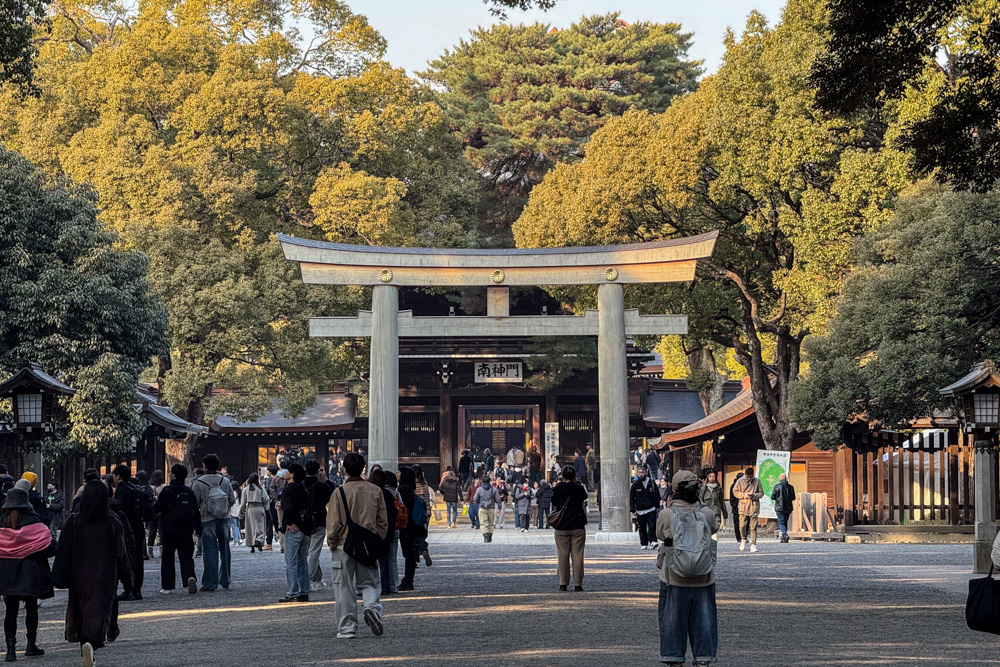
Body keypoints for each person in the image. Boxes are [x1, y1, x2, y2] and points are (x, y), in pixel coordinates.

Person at [53, 480, 131, 667]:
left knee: (80, 611)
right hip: (105, 574)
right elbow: (122, 553)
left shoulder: (74, 520)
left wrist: (58, 575)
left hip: (79, 573)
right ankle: (92, 645)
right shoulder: (112, 521)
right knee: (99, 612)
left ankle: (85, 646)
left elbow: (63, 551)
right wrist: (128, 579)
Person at [656, 470, 719, 667]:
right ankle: (703, 657)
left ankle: (674, 657)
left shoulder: (667, 514)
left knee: (672, 620)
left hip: (673, 576)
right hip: (703, 576)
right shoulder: (706, 513)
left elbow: (659, 534)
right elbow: (714, 527)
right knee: (704, 620)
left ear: (673, 490)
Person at [327, 452, 388, 638]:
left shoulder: (339, 492)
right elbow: (382, 522)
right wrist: (377, 539)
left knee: (343, 587)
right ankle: (372, 609)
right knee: (370, 582)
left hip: (343, 544)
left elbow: (334, 522)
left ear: (344, 469)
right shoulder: (375, 491)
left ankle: (347, 628)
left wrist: (332, 541)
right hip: (368, 543)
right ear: (364, 468)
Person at [0, 487, 56, 660]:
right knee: (31, 609)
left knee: (10, 611)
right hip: (31, 573)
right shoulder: (36, 523)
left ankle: (10, 650)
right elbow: (51, 547)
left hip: (7, 574)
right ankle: (31, 645)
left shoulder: (1, 522)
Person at [153, 464, 201, 595]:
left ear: (173, 475)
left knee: (168, 557)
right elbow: (196, 511)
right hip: (186, 529)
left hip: (169, 529)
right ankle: (189, 577)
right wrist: (198, 528)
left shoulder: (167, 491)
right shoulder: (189, 492)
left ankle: (168, 586)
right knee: (186, 556)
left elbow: (157, 508)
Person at [191, 454, 236, 591]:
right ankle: (225, 579)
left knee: (210, 550)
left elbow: (195, 503)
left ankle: (210, 582)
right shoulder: (225, 481)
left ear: (204, 466)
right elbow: (232, 500)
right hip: (224, 518)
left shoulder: (199, 482)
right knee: (225, 549)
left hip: (207, 518)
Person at [278, 463, 314, 603]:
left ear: (292, 475)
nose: (285, 473)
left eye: (288, 471)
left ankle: (293, 590)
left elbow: (288, 508)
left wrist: (289, 522)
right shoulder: (304, 489)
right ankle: (304, 590)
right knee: (302, 561)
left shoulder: (288, 491)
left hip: (293, 528)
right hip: (305, 528)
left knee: (291, 562)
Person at [110, 465, 147, 600]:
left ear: (118, 476)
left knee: (128, 559)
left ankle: (129, 589)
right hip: (138, 527)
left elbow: (119, 510)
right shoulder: (134, 488)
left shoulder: (121, 490)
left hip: (128, 528)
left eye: (114, 475)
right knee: (138, 559)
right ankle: (137, 589)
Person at [551, 465, 588, 591]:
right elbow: (584, 497)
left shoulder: (558, 489)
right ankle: (578, 584)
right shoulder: (579, 489)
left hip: (562, 525)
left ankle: (563, 583)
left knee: (562, 555)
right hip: (577, 524)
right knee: (578, 555)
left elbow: (554, 502)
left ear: (563, 476)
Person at [303, 460, 334, 592]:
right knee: (314, 552)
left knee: (309, 551)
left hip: (305, 520)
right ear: (317, 471)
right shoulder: (322, 486)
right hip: (319, 519)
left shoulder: (302, 484)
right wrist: (325, 479)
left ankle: (317, 580)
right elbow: (333, 493)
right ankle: (307, 579)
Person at [397, 467, 427, 591]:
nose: (397, 474)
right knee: (410, 553)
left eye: (399, 473)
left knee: (407, 553)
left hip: (406, 525)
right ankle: (408, 579)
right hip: (413, 525)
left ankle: (408, 580)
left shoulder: (403, 490)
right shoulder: (411, 489)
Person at [732, 466, 764, 553]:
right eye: (747, 476)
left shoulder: (757, 481)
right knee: (742, 525)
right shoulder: (740, 481)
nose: (749, 478)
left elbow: (761, 493)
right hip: (743, 505)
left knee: (753, 527)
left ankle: (753, 544)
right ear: (745, 475)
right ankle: (743, 538)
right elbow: (735, 491)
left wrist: (754, 495)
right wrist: (744, 495)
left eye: (751, 476)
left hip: (754, 506)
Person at [629, 466, 659, 550]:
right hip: (640, 510)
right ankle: (644, 543)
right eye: (639, 472)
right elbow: (631, 498)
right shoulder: (635, 485)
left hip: (651, 508)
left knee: (652, 525)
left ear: (646, 472)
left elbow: (656, 495)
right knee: (642, 527)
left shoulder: (652, 483)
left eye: (642, 472)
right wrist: (633, 509)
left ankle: (653, 540)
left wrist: (657, 506)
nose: (641, 474)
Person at [383, 472, 402, 594]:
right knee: (393, 558)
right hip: (395, 527)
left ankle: (383, 583)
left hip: (384, 527)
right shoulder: (396, 493)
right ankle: (394, 584)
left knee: (383, 558)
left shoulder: (381, 492)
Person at [412, 466, 433, 565]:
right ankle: (424, 550)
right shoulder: (425, 484)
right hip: (426, 512)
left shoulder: (412, 484)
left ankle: (416, 557)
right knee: (423, 534)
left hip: (415, 512)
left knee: (414, 536)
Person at [242, 473, 267, 552]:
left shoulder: (245, 490)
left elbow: (243, 503)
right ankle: (259, 539)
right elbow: (266, 499)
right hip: (259, 507)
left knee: (251, 527)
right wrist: (266, 508)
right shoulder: (261, 489)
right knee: (260, 526)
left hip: (250, 508)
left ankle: (252, 544)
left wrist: (241, 513)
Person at [699, 470, 728, 538]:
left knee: (715, 531)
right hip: (706, 512)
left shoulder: (719, 489)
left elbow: (722, 501)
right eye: (710, 477)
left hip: (716, 512)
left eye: (713, 477)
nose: (712, 478)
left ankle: (714, 546)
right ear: (707, 477)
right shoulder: (703, 488)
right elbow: (700, 500)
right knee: (706, 530)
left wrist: (725, 514)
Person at [472, 475, 500, 543]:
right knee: (491, 523)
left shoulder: (479, 489)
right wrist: (499, 507)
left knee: (483, 523)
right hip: (491, 508)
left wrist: (479, 501)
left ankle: (486, 537)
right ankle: (489, 536)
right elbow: (498, 499)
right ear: (490, 481)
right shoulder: (494, 489)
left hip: (482, 508)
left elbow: (474, 499)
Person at [771, 473, 796, 543]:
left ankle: (784, 535)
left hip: (779, 507)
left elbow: (772, 497)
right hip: (788, 507)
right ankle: (783, 537)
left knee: (781, 522)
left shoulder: (776, 486)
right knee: (785, 521)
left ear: (780, 478)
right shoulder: (791, 487)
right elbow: (793, 497)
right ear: (786, 478)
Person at [146, 470, 165, 558]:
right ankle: (162, 551)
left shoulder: (149, 487)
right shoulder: (164, 487)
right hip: (162, 512)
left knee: (152, 531)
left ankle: (150, 551)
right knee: (161, 531)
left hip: (152, 512)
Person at [729, 472, 743, 544]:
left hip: (744, 507)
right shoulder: (733, 486)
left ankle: (744, 537)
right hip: (736, 508)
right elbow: (731, 498)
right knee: (737, 524)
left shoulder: (745, 486)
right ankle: (738, 538)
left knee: (745, 523)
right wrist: (734, 505)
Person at [229, 481, 243, 546]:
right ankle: (239, 538)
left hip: (233, 510)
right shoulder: (240, 493)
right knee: (237, 525)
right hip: (239, 510)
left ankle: (236, 540)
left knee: (234, 526)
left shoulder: (232, 493)